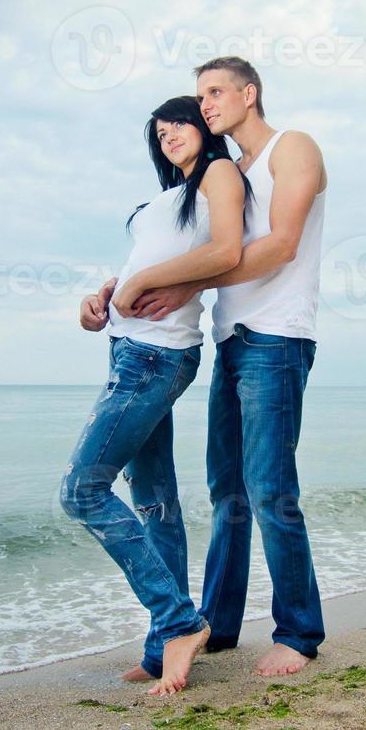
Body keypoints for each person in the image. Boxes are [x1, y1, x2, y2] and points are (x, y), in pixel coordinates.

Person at [126, 57, 329, 678]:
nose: (206, 104)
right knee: (227, 493)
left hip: (279, 338)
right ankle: (217, 628)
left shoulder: (291, 148)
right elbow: (199, 254)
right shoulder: (229, 172)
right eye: (200, 94)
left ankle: (298, 632)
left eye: (216, 92)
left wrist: (188, 285)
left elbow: (281, 244)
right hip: (232, 341)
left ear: (250, 92)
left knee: (269, 488)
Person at [63, 95, 252, 695]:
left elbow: (227, 250)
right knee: (155, 504)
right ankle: (161, 648)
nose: (169, 134)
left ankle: (178, 622)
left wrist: (142, 282)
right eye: (160, 130)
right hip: (127, 348)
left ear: (204, 127)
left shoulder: (220, 174)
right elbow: (149, 264)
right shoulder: (162, 202)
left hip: (157, 355)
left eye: (180, 123)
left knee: (82, 490)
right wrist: (105, 294)